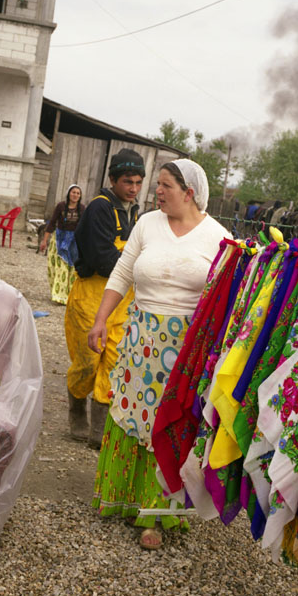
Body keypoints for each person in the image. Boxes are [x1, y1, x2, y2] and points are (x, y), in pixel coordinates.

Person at [88, 159, 231, 549]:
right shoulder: (147, 223)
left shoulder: (219, 237)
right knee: (132, 414)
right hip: (140, 340)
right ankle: (121, 499)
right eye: (158, 186)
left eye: (166, 185)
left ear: (189, 192)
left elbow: (224, 299)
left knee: (167, 423)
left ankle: (156, 512)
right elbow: (121, 273)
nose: (157, 192)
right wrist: (101, 319)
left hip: (184, 349)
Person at [64, 149, 145, 445]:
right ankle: (76, 409)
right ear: (112, 179)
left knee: (112, 361)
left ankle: (98, 429)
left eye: (138, 182)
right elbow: (102, 258)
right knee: (88, 359)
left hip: (122, 298)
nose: (133, 188)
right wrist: (141, 267)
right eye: (127, 181)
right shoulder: (100, 208)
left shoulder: (135, 212)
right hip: (92, 294)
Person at [38, 184, 85, 305]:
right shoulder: (61, 206)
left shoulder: (82, 209)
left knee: (72, 268)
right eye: (73, 192)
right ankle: (59, 295)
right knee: (60, 266)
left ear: (80, 196)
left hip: (74, 241)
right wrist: (44, 241)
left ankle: (70, 295)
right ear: (69, 193)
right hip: (60, 239)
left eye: (78, 193)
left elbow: (85, 226)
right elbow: (52, 223)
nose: (75, 195)